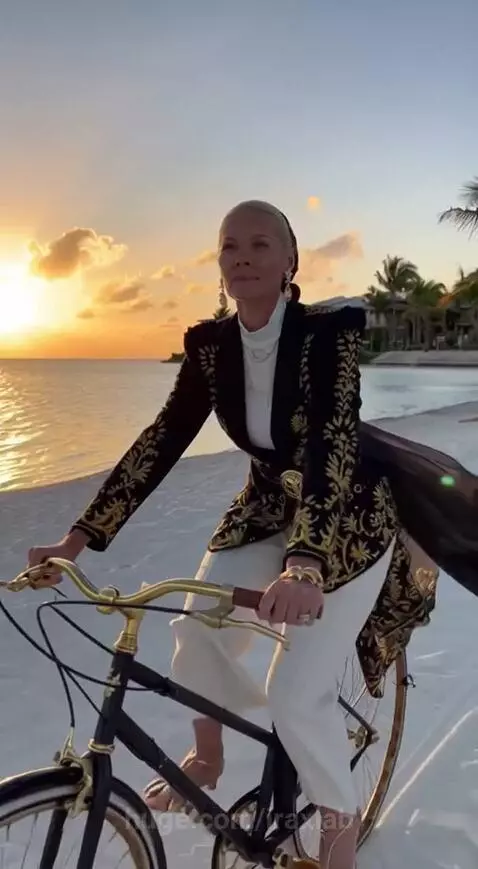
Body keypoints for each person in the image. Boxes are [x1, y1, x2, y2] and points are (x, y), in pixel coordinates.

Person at [28, 199, 478, 869]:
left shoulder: (329, 335)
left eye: (260, 243)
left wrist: (304, 562)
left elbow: (331, 441)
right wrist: (76, 539)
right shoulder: (211, 347)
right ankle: (207, 758)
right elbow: (158, 444)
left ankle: (338, 820)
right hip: (267, 506)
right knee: (193, 624)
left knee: (297, 692)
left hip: (345, 516)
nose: (242, 254)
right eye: (229, 245)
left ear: (290, 262)